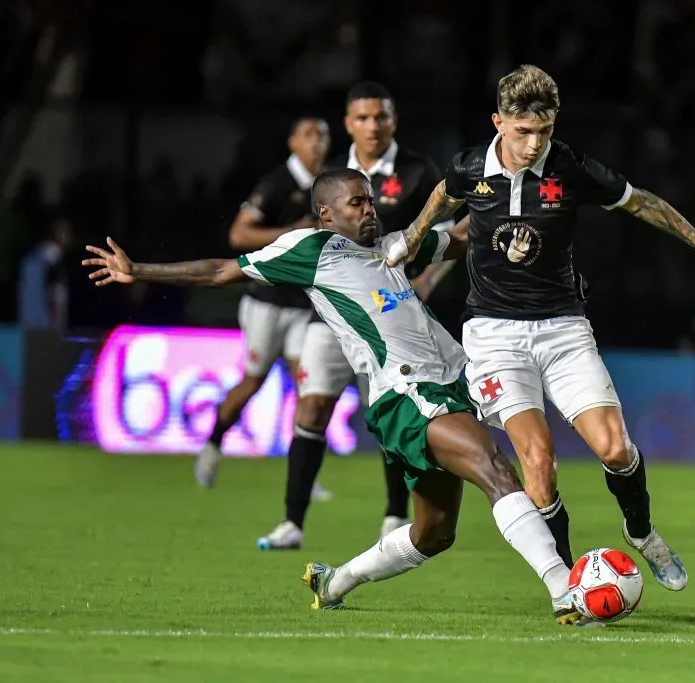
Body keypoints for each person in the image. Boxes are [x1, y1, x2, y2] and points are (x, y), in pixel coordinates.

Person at [82, 168, 588, 625]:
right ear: (326, 214)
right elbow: (221, 270)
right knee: (494, 468)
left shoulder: (395, 245)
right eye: (356, 203)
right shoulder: (310, 249)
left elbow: (461, 239)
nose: (369, 209)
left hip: (456, 382)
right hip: (407, 394)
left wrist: (517, 217)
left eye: (370, 201)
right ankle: (563, 588)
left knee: (434, 534)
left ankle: (336, 580)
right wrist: (140, 270)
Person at [384, 64, 695, 592]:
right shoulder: (472, 166)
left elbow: (642, 202)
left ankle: (643, 532)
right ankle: (569, 585)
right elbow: (446, 192)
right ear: (499, 122)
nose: (535, 144)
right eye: (523, 132)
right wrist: (414, 233)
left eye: (545, 130)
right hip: (493, 335)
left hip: (563, 329)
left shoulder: (572, 169)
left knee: (614, 450)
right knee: (537, 463)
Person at [256, 82, 461, 551]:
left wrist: (421, 287)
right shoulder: (329, 176)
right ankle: (292, 522)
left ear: (394, 121)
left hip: (391, 319)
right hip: (332, 316)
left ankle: (393, 515)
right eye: (363, 118)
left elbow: (443, 239)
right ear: (348, 124)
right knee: (312, 406)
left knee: (392, 407)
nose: (373, 126)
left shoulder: (416, 170)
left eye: (381, 117)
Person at [196, 117, 333, 502]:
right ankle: (212, 445)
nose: (318, 142)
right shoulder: (277, 184)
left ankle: (304, 474)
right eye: (309, 135)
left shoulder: (327, 185)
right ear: (293, 142)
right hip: (266, 302)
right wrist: (289, 233)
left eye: (323, 135)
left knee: (309, 387)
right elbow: (239, 235)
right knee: (252, 382)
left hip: (304, 304)